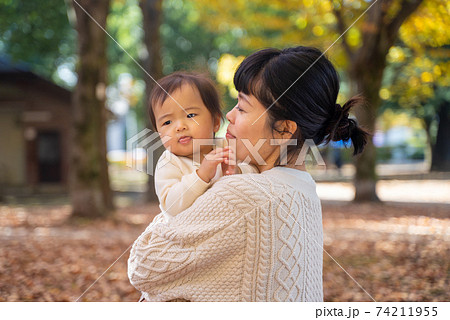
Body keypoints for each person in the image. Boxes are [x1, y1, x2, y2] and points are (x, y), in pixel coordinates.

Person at [128, 46, 369, 301]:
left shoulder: (245, 194)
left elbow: (143, 266)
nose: (229, 115)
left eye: (242, 108)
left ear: (285, 130)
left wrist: (171, 216)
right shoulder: (304, 188)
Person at [149, 72, 258, 218]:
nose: (180, 127)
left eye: (190, 115)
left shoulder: (227, 147)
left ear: (216, 122)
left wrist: (237, 171)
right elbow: (171, 206)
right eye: (167, 122)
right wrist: (201, 176)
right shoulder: (169, 163)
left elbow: (257, 172)